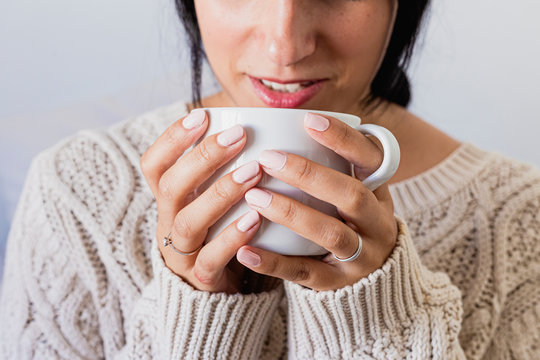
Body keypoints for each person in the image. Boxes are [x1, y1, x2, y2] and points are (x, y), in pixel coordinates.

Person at [1, 0, 539, 358]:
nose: (286, 48)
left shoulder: (520, 215)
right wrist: (200, 311)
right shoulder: (74, 190)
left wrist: (376, 319)